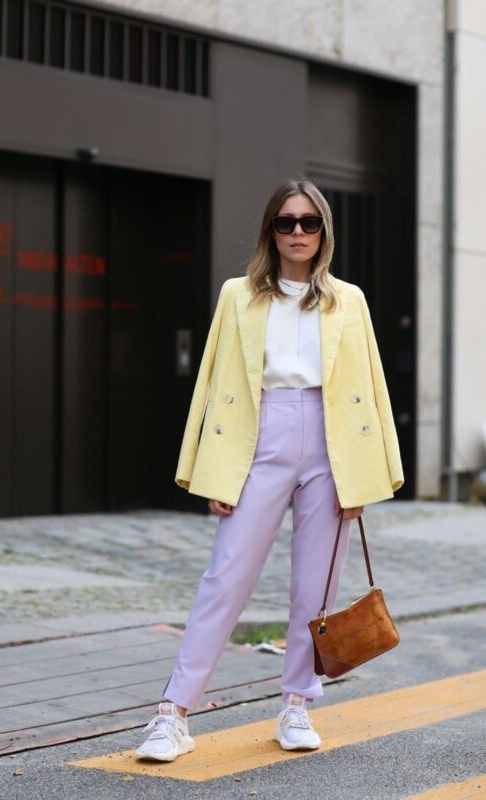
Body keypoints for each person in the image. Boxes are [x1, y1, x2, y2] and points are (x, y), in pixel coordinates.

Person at [136, 178, 404, 762]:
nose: (299, 233)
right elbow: (213, 384)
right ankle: (172, 713)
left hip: (332, 444)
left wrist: (364, 477)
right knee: (225, 576)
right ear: (271, 230)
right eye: (287, 222)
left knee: (316, 588)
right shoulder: (239, 295)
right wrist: (211, 472)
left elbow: (371, 390)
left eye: (310, 223)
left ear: (325, 232)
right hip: (259, 436)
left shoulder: (348, 300)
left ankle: (296, 705)